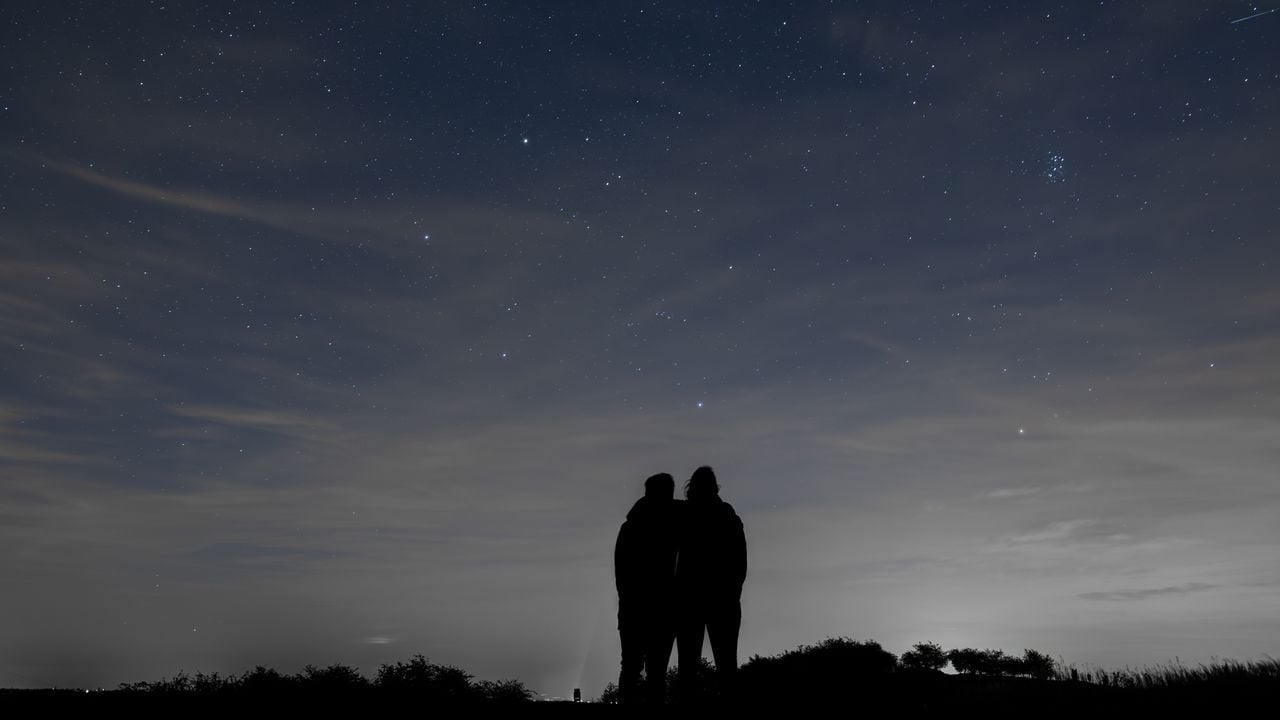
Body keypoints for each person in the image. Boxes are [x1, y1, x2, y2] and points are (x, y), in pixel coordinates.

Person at [675, 465, 746, 699]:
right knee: (727, 666)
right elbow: (740, 562)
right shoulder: (727, 515)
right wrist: (732, 591)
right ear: (715, 487)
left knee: (688, 667)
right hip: (722, 599)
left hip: (690, 599)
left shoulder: (684, 516)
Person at [614, 473, 681, 705]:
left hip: (636, 607)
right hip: (658, 607)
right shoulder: (672, 523)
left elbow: (621, 573)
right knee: (654, 670)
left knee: (633, 667)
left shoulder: (631, 526)